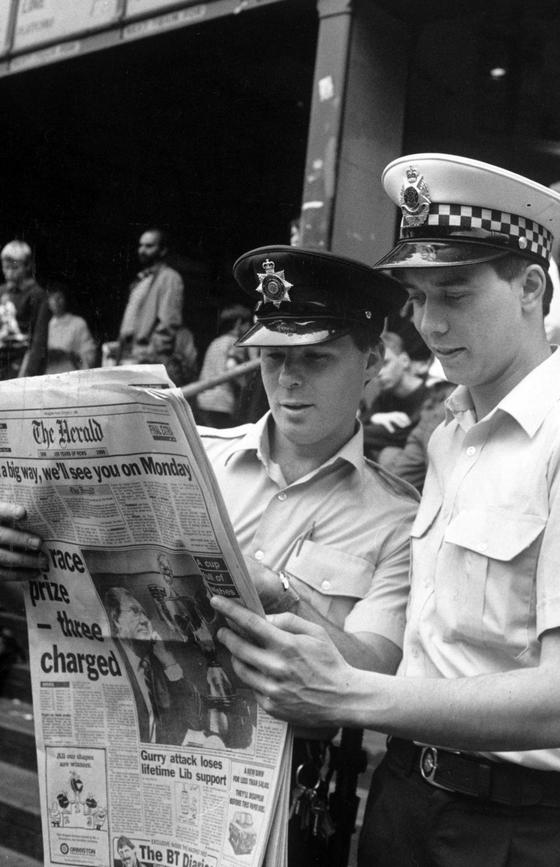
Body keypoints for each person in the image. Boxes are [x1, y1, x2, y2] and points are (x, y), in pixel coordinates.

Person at [209, 155, 560, 867]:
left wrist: (351, 693)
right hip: (405, 797)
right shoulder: (449, 437)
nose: (430, 323)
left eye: (454, 292)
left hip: (514, 821)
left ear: (531, 287)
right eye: (416, 297)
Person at [0, 245, 418, 866]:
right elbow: (76, 606)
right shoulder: (198, 458)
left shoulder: (398, 517)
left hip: (283, 790)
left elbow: (375, 673)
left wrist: (280, 593)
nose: (289, 380)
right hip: (139, 758)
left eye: (316, 359)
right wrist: (18, 555)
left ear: (372, 361)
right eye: (274, 358)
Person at [103, 586, 206, 745]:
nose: (144, 620)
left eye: (144, 613)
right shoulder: (108, 662)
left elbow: (194, 717)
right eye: (135, 612)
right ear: (116, 619)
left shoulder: (158, 664)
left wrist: (169, 662)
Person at [105, 228, 184, 367]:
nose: (142, 250)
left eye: (149, 246)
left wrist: (149, 355)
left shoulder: (169, 278)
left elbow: (168, 322)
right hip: (128, 355)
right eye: (140, 245)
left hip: (145, 359)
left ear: (163, 250)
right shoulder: (141, 280)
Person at [360, 330, 428, 461]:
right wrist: (375, 417)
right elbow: (360, 424)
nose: (378, 374)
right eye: (372, 368)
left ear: (404, 360)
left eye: (385, 364)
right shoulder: (385, 397)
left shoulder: (431, 395)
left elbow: (402, 436)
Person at [196, 303, 253, 426]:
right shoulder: (235, 342)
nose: (249, 327)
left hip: (204, 399)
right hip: (221, 402)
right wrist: (245, 385)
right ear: (238, 323)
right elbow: (231, 366)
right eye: (248, 323)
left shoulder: (216, 342)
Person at [0, 240, 50, 380]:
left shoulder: (37, 295)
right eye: (5, 267)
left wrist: (29, 373)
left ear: (27, 266)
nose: (9, 272)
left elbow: (39, 339)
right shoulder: (2, 292)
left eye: (14, 268)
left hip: (21, 361)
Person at [45, 281, 97, 373]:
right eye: (53, 298)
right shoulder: (44, 326)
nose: (56, 301)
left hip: (71, 374)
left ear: (65, 299)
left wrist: (71, 356)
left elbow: (89, 354)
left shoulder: (78, 323)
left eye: (59, 297)